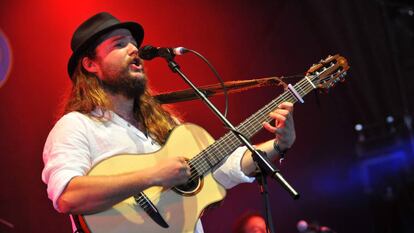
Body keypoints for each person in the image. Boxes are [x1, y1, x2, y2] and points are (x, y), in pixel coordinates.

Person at [41, 12, 296, 233]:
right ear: (90, 64)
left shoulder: (166, 124)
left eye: (134, 44)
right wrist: (153, 175)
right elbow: (67, 196)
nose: (134, 50)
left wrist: (278, 145)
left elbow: (224, 168)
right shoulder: (76, 125)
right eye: (120, 44)